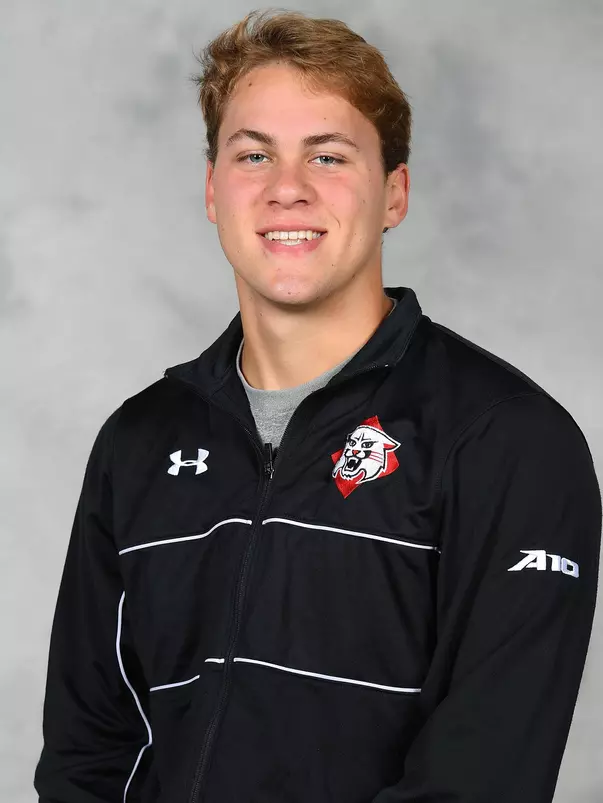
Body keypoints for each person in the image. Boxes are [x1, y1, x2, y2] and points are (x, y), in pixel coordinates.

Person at [34, 9, 601, 803]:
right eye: (254, 154)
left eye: (327, 156)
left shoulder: (508, 441)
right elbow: (87, 752)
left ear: (393, 194)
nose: (287, 188)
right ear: (213, 190)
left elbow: (480, 777)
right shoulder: (139, 440)